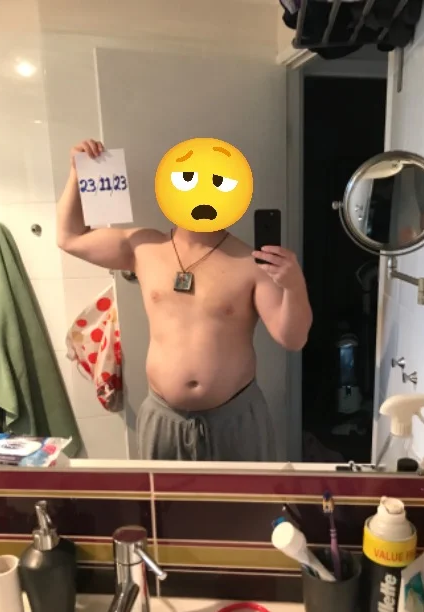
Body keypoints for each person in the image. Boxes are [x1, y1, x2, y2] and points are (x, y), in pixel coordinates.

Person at [57, 139, 312, 461]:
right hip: (163, 417)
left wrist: (294, 285)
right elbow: (69, 238)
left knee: (243, 496)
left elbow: (292, 338)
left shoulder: (252, 262)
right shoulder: (142, 247)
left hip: (235, 419)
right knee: (160, 497)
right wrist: (77, 172)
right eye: (188, 180)